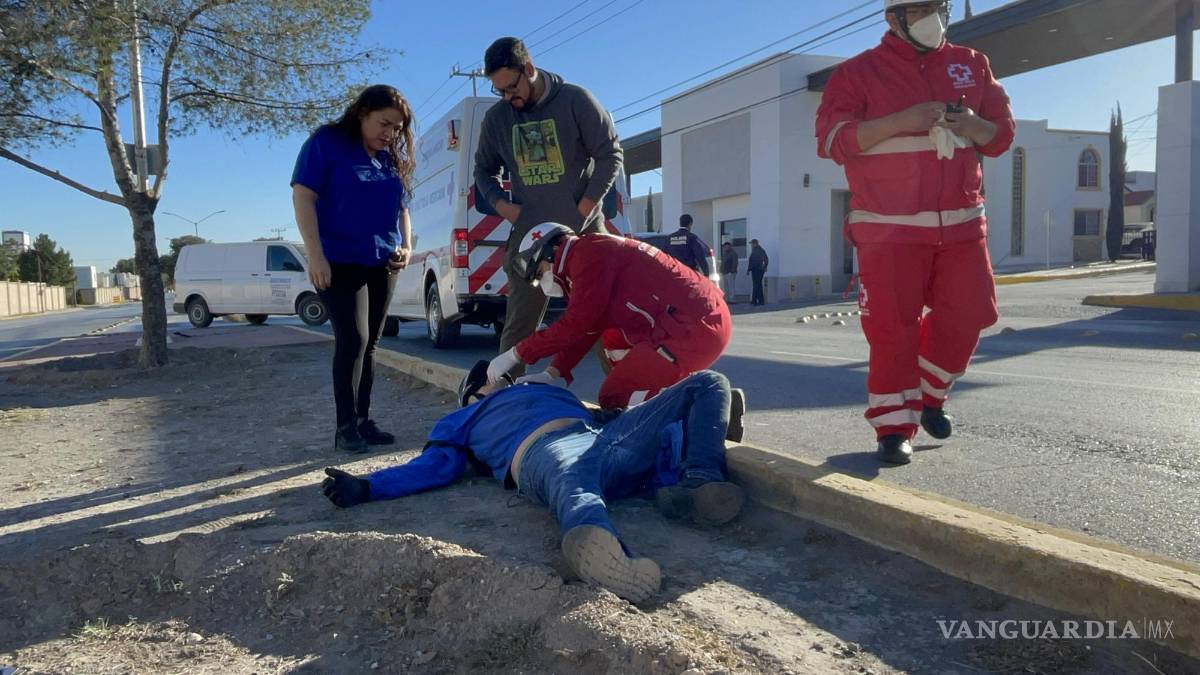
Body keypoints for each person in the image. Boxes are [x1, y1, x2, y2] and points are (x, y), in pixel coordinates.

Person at [321, 361, 747, 603]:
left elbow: (617, 417)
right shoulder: (464, 417)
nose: (504, 378)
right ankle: (607, 553)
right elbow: (434, 466)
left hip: (603, 438)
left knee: (709, 382)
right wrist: (368, 486)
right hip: (545, 451)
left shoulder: (548, 391)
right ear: (473, 392)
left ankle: (698, 484)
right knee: (575, 484)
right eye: (492, 378)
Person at [815, 0, 1014, 464]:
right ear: (894, 18)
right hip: (887, 231)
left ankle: (929, 392)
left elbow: (1001, 137)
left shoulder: (972, 64)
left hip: (962, 225)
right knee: (892, 332)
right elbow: (832, 141)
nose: (933, 19)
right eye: (921, 10)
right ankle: (892, 428)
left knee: (972, 313)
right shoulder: (856, 73)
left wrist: (972, 124)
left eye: (939, 8)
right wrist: (901, 122)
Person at [474, 36, 624, 378]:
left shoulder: (576, 100)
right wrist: (504, 207)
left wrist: (585, 207)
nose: (507, 97)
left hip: (585, 230)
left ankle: (624, 398)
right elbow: (483, 171)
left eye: (511, 88)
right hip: (531, 235)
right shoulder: (497, 119)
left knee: (605, 321)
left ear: (528, 68)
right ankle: (502, 399)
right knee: (519, 327)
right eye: (499, 91)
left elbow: (609, 154)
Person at [485, 223, 732, 410]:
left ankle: (704, 404)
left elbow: (575, 325)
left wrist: (516, 354)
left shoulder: (586, 256)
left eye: (540, 272)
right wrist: (553, 372)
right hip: (697, 319)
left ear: (553, 250)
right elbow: (588, 327)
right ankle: (678, 391)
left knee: (614, 397)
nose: (543, 281)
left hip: (694, 328)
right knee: (613, 339)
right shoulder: (590, 252)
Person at [291, 85, 415, 454]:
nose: (390, 134)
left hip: (383, 262)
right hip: (338, 261)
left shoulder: (388, 158)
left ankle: (362, 420)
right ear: (362, 112)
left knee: (370, 343)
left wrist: (407, 245)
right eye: (384, 123)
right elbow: (303, 196)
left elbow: (402, 208)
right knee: (353, 340)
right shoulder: (327, 143)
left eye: (397, 128)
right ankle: (344, 427)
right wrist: (315, 256)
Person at [747, 239, 769, 306]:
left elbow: (764, 259)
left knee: (757, 285)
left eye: (752, 244)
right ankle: (754, 300)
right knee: (756, 285)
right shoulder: (757, 250)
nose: (751, 245)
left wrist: (764, 267)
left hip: (757, 270)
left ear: (755, 244)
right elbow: (766, 259)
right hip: (756, 269)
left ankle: (760, 301)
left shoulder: (758, 250)